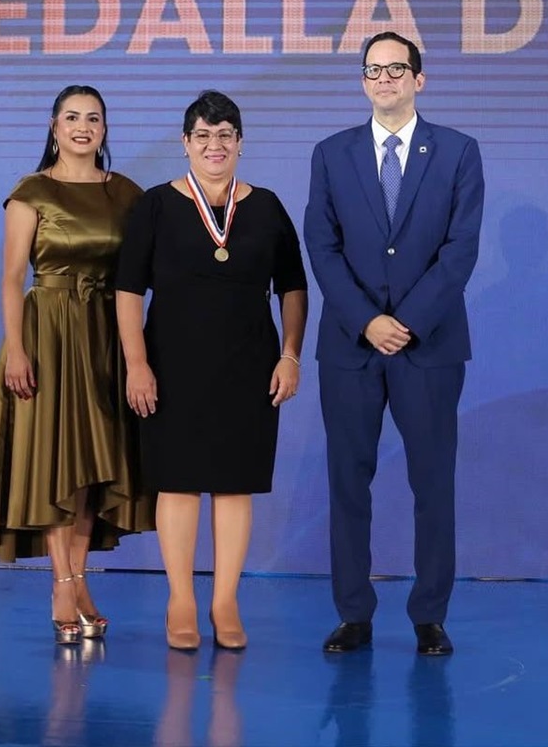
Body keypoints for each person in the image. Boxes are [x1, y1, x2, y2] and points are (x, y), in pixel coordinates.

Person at [304, 32, 485, 655]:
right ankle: (354, 614)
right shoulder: (331, 154)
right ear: (363, 81)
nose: (384, 79)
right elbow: (321, 247)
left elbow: (460, 249)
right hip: (350, 347)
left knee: (433, 484)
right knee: (347, 483)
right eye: (373, 70)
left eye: (396, 69)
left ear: (419, 79)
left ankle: (429, 615)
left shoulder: (458, 152)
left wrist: (404, 321)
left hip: (428, 345)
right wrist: (367, 321)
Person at [115, 90, 308, 651]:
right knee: (177, 483)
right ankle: (180, 599)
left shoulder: (267, 206)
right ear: (185, 143)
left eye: (224, 135)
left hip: (249, 367)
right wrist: (136, 364)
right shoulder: (155, 205)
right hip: (171, 366)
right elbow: (127, 290)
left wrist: (290, 354)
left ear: (240, 142)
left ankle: (225, 602)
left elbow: (293, 287)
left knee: (233, 486)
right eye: (202, 135)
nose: (214, 145)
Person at [0, 85, 155, 645]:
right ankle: (64, 587)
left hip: (106, 335)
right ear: (54, 127)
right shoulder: (31, 191)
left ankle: (78, 581)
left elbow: (143, 270)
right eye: (72, 117)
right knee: (57, 463)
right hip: (47, 334)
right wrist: (16, 348)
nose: (82, 127)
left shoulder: (127, 193)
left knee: (94, 466)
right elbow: (11, 278)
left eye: (93, 118)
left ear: (105, 128)